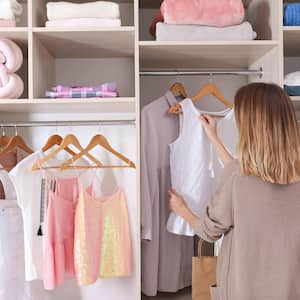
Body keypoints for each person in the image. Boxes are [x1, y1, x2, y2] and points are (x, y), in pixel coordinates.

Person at [168, 82, 300, 300]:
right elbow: (244, 176)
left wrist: (182, 210)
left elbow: (209, 231)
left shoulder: (237, 178)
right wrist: (214, 138)